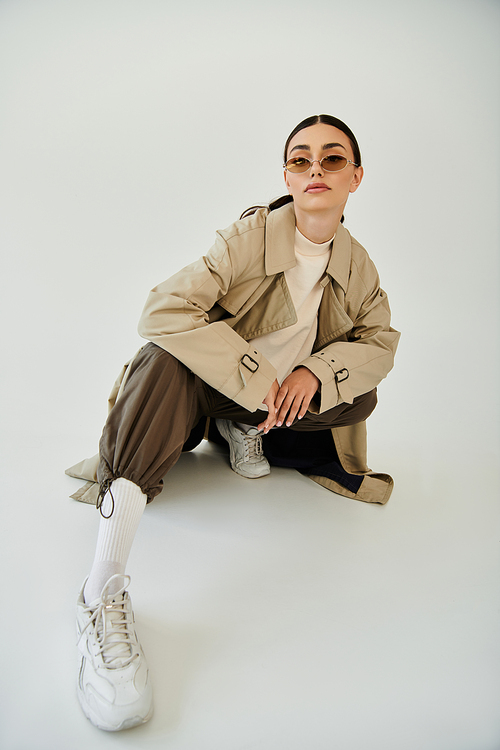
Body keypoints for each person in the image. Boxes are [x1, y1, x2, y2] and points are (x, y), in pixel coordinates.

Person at [70, 114, 400, 731]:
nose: (315, 170)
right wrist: (256, 375)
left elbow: (380, 345)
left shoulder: (358, 267)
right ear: (287, 176)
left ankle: (246, 428)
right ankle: (101, 589)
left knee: (358, 394)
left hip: (266, 404)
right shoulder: (249, 238)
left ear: (356, 177)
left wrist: (315, 374)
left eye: (332, 159)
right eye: (301, 160)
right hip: (212, 388)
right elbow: (162, 309)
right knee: (162, 357)